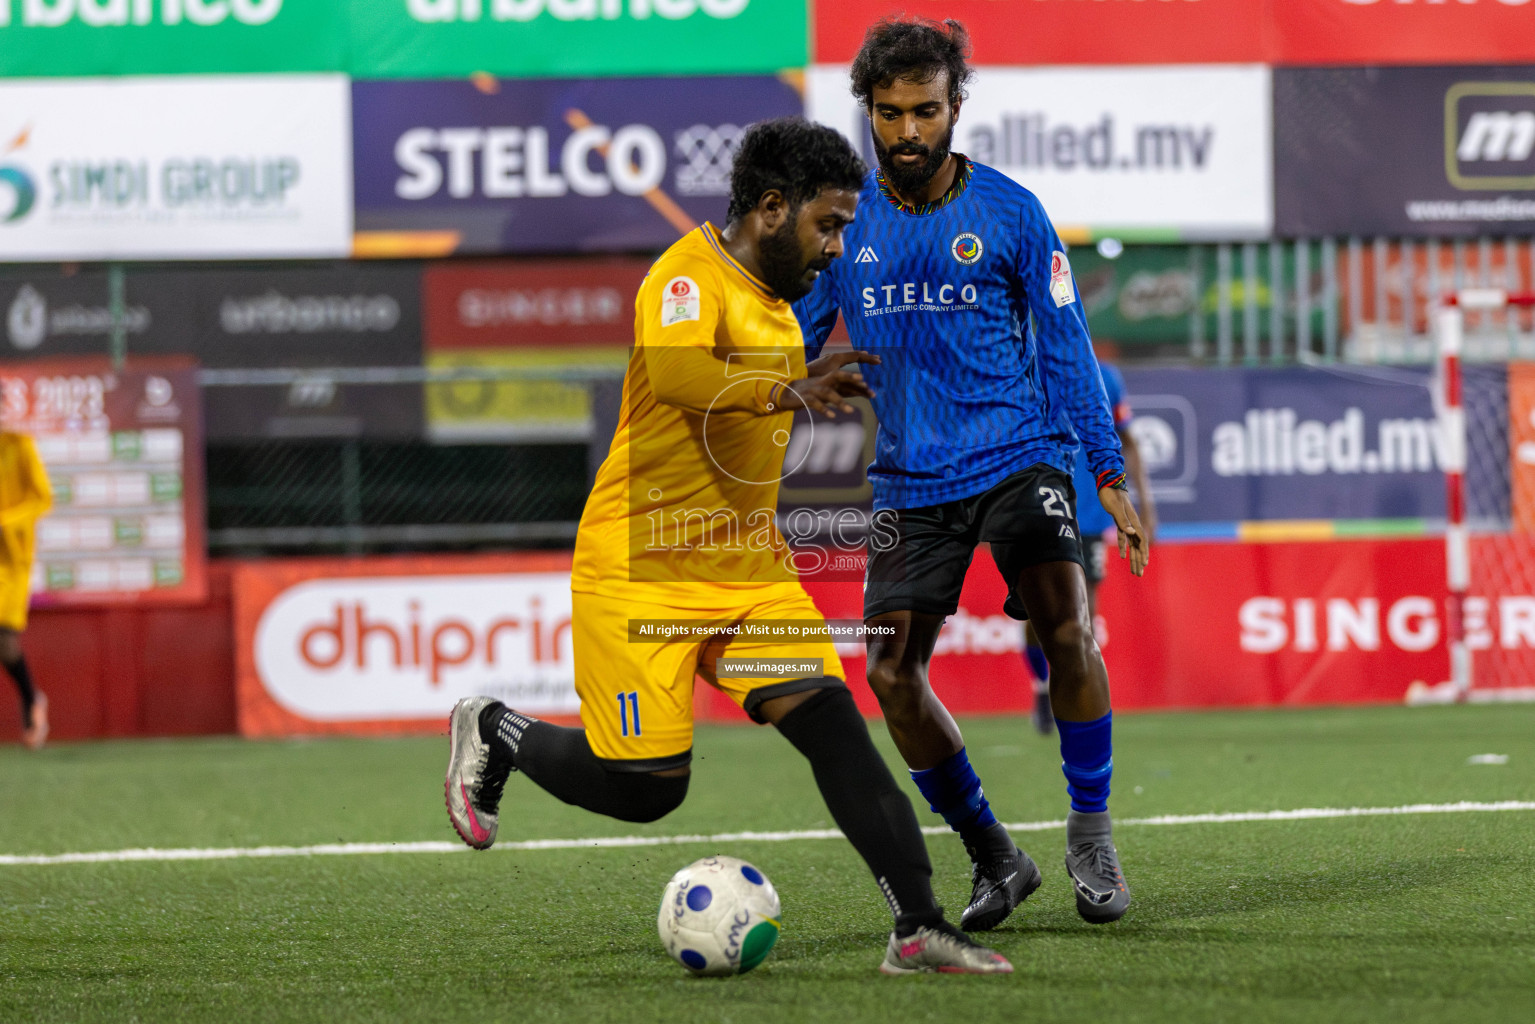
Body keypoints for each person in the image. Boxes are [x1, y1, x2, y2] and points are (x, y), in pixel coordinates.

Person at [444, 117, 1010, 975]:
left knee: (834, 726)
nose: (838, 243)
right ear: (773, 209)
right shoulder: (684, 275)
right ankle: (497, 729)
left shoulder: (782, 308)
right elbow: (678, 379)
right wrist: (788, 384)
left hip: (749, 579)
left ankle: (918, 927)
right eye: (829, 223)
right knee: (645, 792)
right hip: (641, 575)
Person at [793, 18, 1150, 930]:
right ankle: (994, 854)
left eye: (924, 110)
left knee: (1067, 626)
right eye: (888, 113)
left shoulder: (1010, 212)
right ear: (867, 113)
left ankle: (1091, 833)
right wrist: (754, 385)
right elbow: (789, 335)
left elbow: (1066, 346)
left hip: (1017, 456)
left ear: (955, 107)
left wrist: (1105, 472)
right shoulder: (844, 222)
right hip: (909, 484)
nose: (906, 131)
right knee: (888, 675)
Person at [1026, 357, 1157, 735]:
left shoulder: (1106, 377)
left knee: (1083, 613)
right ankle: (1040, 685)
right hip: (1036, 505)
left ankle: (1079, 705)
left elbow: (1127, 440)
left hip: (1089, 511)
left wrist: (1145, 504)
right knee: (1033, 614)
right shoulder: (1025, 364)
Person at [0, 429, 52, 749]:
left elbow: (42, 498)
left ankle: (32, 701)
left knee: (4, 638)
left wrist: (5, 520)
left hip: (10, 558)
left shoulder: (19, 445)